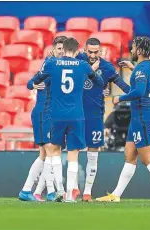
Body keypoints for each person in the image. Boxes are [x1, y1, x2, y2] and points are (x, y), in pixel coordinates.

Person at [96, 36, 150, 202]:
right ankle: (116, 195)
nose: (131, 50)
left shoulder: (141, 70)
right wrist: (130, 70)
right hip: (140, 116)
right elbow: (137, 88)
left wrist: (119, 98)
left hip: (143, 115)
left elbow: (139, 92)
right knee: (129, 154)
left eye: (133, 48)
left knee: (146, 157)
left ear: (140, 50)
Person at [30, 37, 104, 202]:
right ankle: (70, 195)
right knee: (73, 153)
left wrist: (35, 84)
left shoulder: (51, 64)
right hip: (77, 116)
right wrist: (93, 71)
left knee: (55, 151)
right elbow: (99, 82)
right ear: (77, 51)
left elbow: (35, 81)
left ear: (64, 50)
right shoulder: (83, 65)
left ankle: (60, 190)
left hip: (57, 115)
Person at [18, 35, 67, 202]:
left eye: (64, 49)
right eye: (59, 48)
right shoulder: (49, 64)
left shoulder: (62, 66)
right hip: (43, 112)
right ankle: (51, 192)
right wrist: (33, 84)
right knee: (49, 151)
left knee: (45, 154)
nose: (62, 52)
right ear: (53, 49)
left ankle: (27, 191)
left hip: (52, 114)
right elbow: (31, 82)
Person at [70, 38, 119, 202]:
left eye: (95, 52)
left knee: (93, 154)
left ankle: (87, 192)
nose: (92, 54)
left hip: (95, 117)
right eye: (89, 51)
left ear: (101, 51)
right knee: (73, 152)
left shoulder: (107, 67)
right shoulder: (76, 61)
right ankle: (74, 188)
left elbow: (120, 85)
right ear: (84, 49)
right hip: (76, 115)